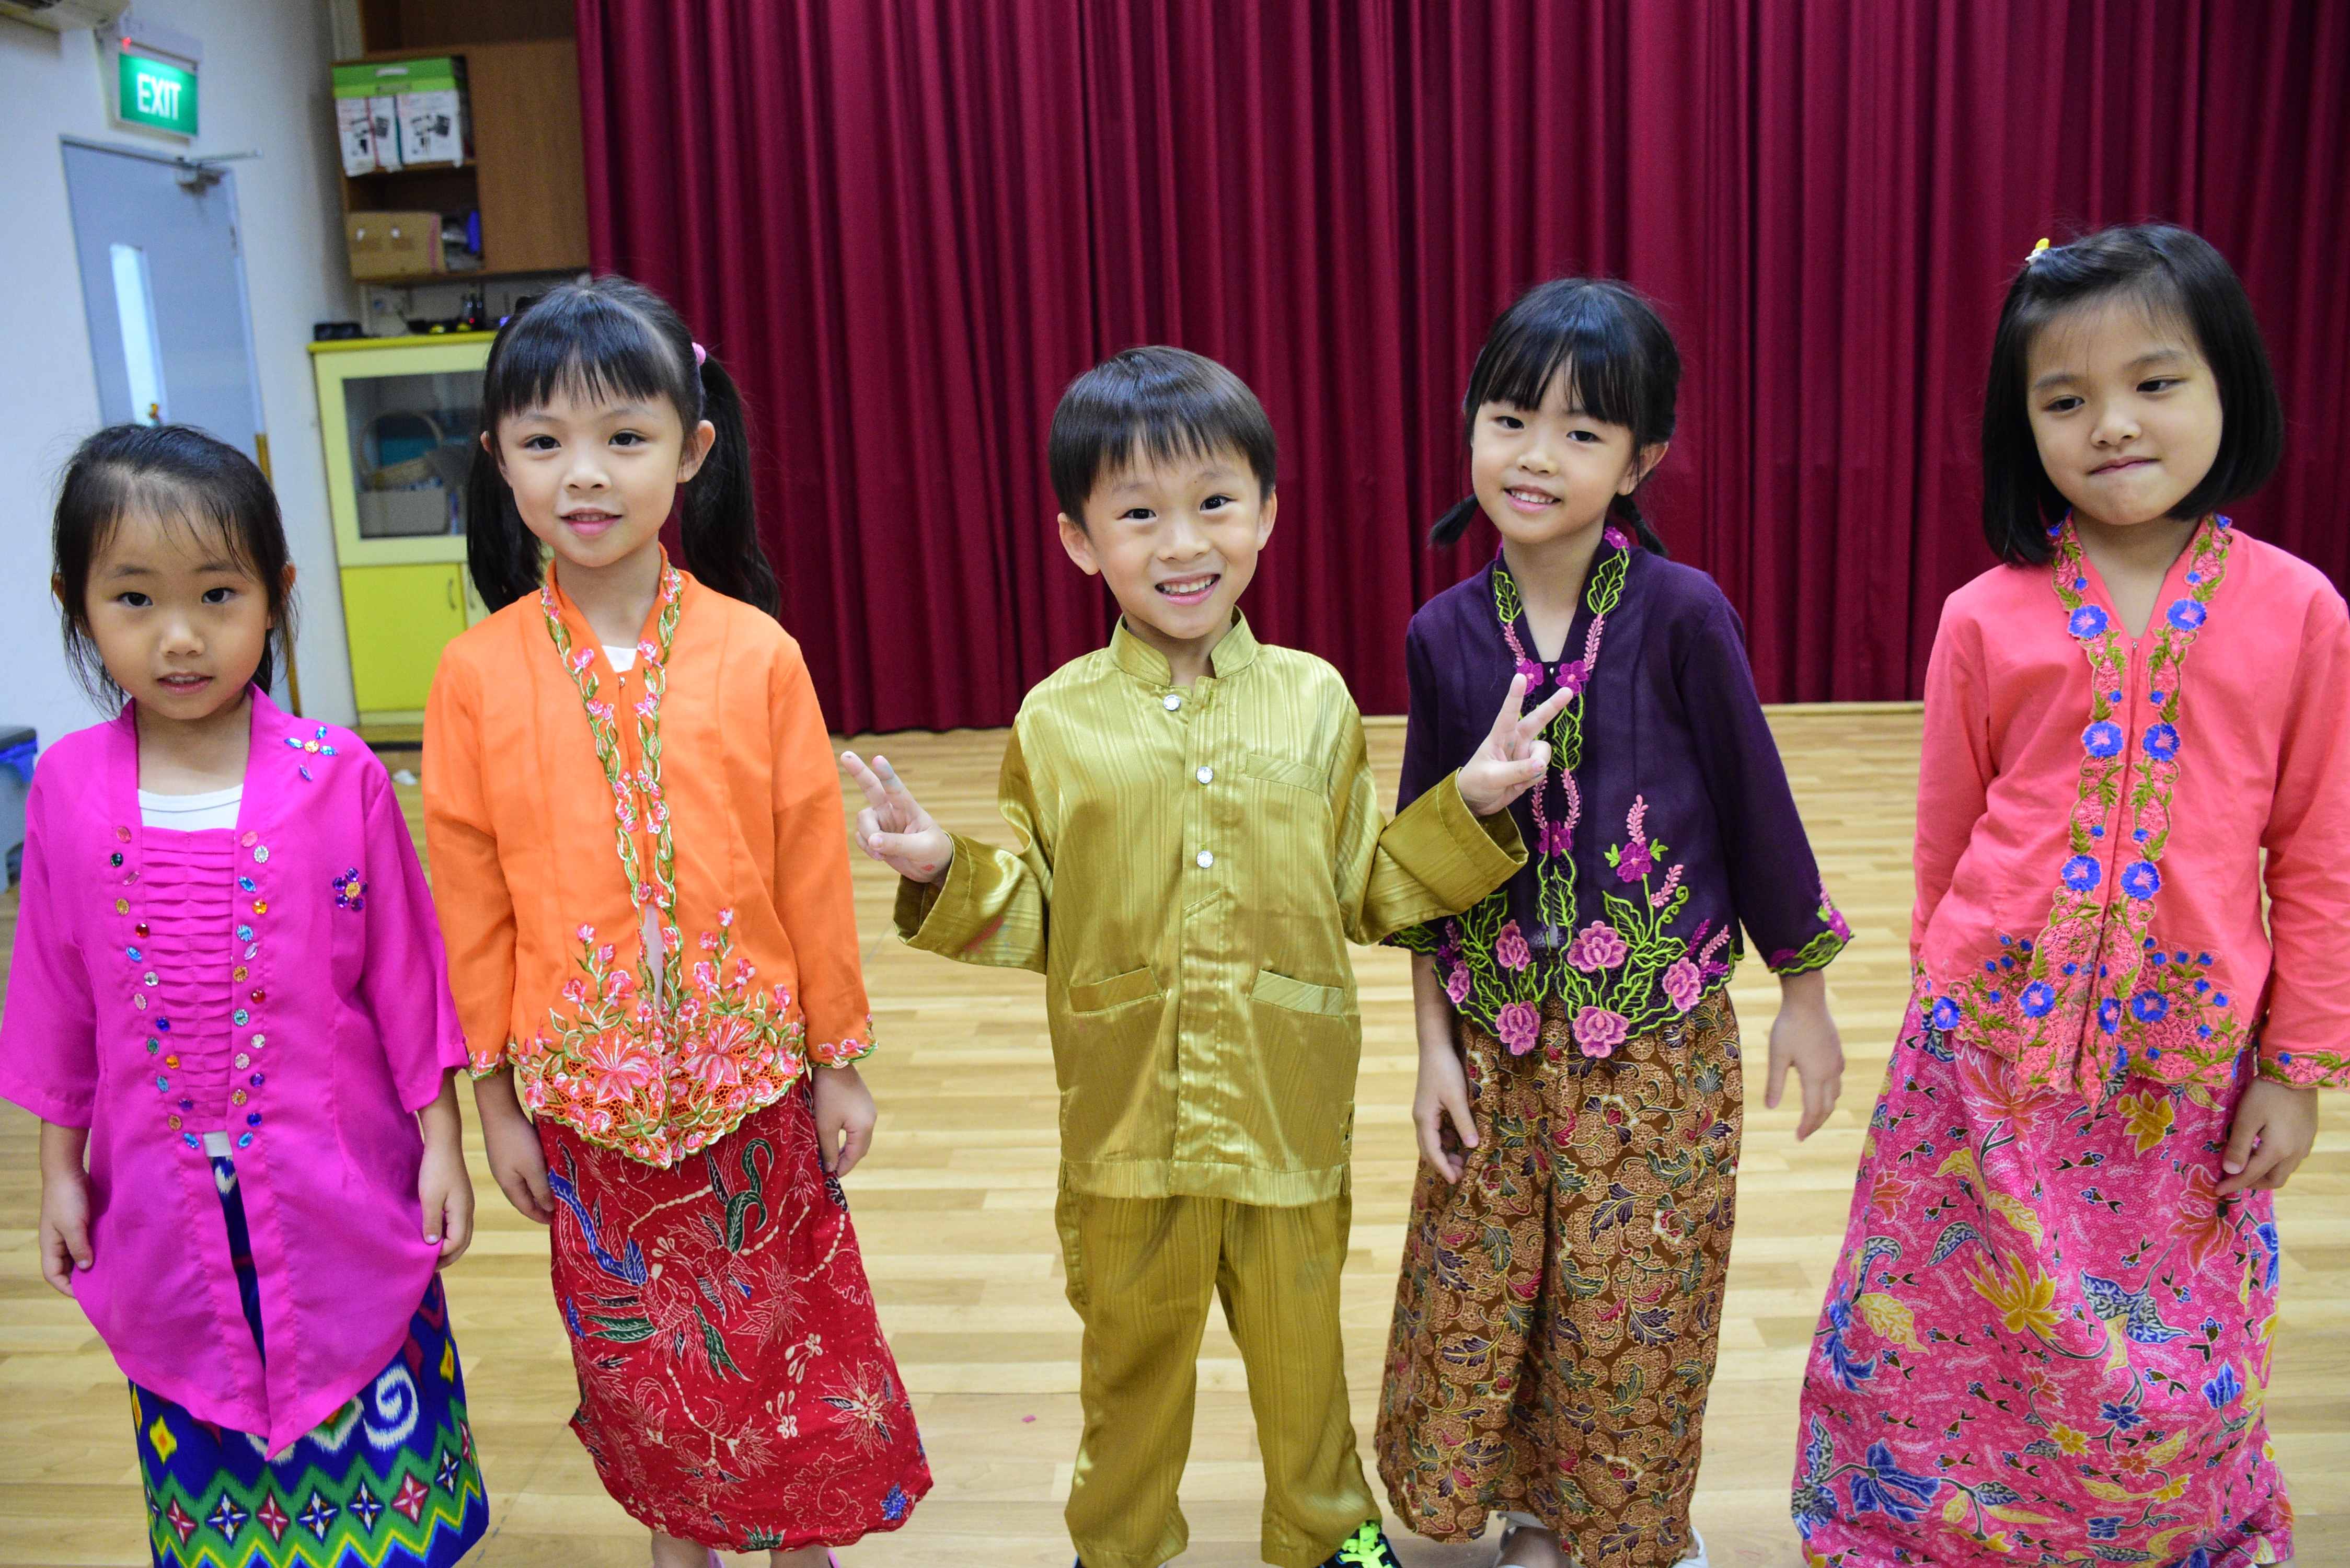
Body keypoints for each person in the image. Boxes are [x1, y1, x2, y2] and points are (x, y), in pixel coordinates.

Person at [844, 345, 1559, 1568]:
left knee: (1302, 1371)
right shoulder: (1056, 719)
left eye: (1215, 502)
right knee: (1128, 1372)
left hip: (1287, 1110)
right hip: (1125, 1124)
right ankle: (1117, 1549)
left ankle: (1333, 1543)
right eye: (1139, 515)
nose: (1184, 544)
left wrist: (1470, 806)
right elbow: (1038, 911)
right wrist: (940, 867)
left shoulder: (1315, 701)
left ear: (1266, 513)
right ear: (1079, 541)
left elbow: (1369, 889)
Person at [1790, 224, 2343, 1567]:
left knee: (2165, 1358)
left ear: (2229, 386)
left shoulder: (2300, 612)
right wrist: (1947, 1015)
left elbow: (2318, 856)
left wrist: (2297, 1069)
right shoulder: (1984, 615)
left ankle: (2150, 1533)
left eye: (2154, 383)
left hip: (2184, 1069)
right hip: (1981, 1060)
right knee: (1942, 1327)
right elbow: (1945, 842)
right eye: (2064, 399)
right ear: (2018, 425)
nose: (2112, 425)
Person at [424, 277, 929, 1566]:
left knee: (793, 1339)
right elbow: (469, 901)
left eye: (625, 437)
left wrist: (838, 1059)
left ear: (692, 449)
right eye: (544, 442)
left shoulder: (758, 653)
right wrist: (494, 1100)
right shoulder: (475, 676)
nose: (585, 474)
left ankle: (803, 1541)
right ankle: (680, 1539)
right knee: (641, 1367)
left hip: (755, 1088)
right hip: (583, 1105)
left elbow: (809, 870)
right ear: (500, 461)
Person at [1374, 279, 1853, 1568]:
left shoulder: (1681, 614)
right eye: (1510, 420)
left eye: (1581, 432)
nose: (1535, 456)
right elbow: (1418, 866)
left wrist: (1804, 998)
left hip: (1655, 1053)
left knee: (1630, 1300)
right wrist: (1429, 1050)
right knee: (1491, 1293)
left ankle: (1636, 1529)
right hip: (1494, 1048)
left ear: (1639, 460)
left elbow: (1756, 807)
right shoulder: (1440, 636)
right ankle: (1534, 1515)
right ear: (1471, 428)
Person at [3, 423, 486, 1568]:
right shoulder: (66, 790)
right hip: (161, 1214)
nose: (181, 637)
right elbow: (57, 1002)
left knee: (387, 1490)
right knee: (215, 1478)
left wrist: (444, 1146)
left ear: (276, 595)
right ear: (77, 605)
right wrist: (59, 1173)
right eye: (134, 600)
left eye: (218, 595)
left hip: (343, 1196)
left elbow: (406, 980)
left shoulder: (337, 776)